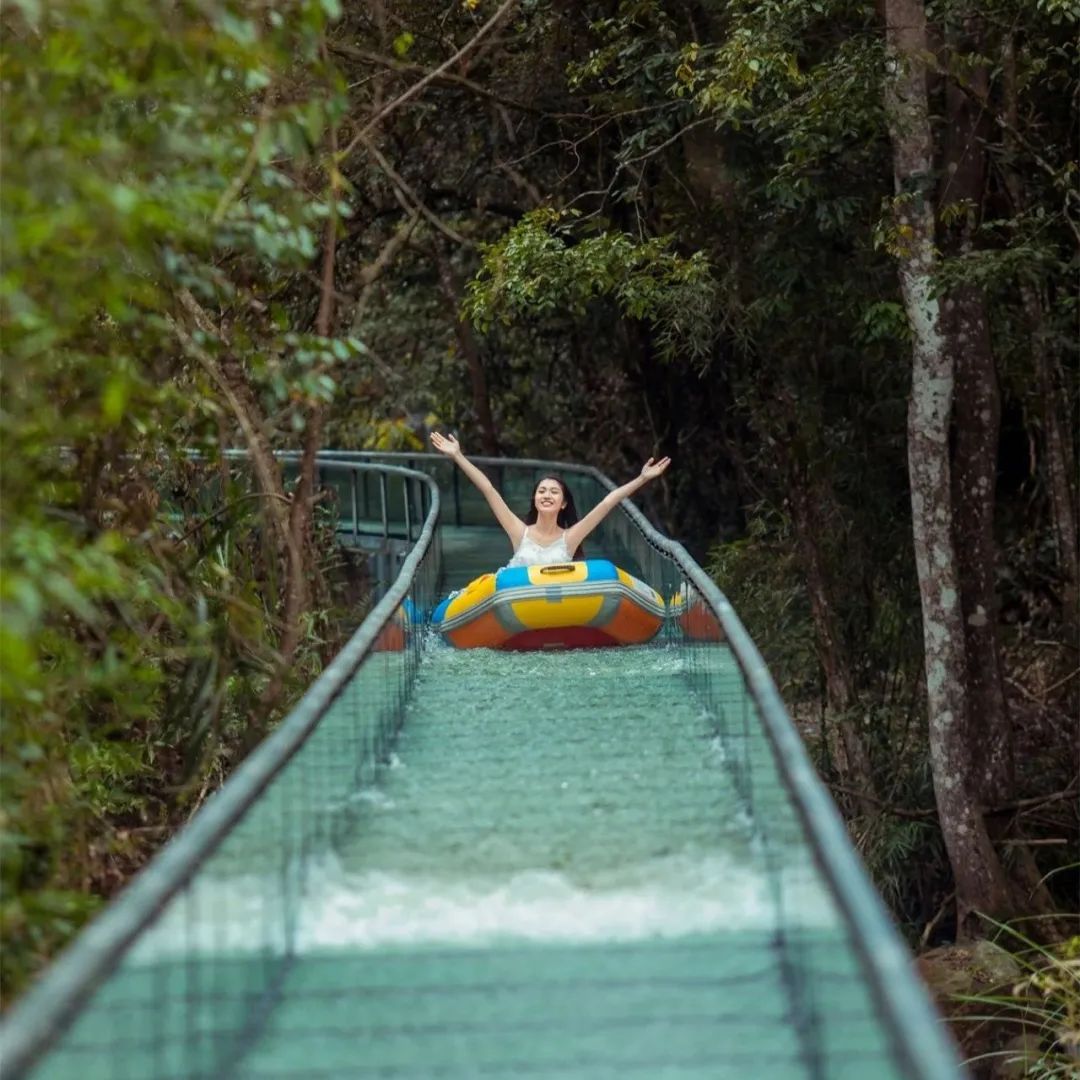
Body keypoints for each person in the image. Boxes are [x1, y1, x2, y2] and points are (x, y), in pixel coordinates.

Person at [430, 432, 671, 568]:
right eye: (542, 491)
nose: (547, 495)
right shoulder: (518, 532)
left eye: (554, 492)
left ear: (563, 503)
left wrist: (641, 478)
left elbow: (608, 502)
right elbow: (489, 489)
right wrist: (458, 456)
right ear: (534, 499)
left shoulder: (570, 538)